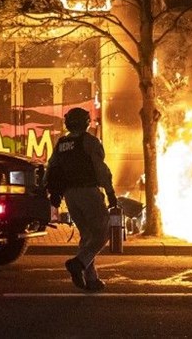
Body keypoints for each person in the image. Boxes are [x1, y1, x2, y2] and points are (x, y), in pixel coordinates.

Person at [45, 107, 117, 292]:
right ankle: (79, 263)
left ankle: (91, 279)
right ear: (85, 123)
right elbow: (100, 169)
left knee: (86, 235)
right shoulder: (90, 141)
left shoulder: (61, 143)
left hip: (70, 196)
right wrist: (110, 193)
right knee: (103, 233)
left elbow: (51, 168)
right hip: (88, 193)